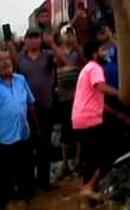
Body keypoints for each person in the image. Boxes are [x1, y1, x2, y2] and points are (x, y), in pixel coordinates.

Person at [73, 40, 130, 198]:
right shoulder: (95, 68)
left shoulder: (86, 70)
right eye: (102, 50)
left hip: (80, 119)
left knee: (91, 159)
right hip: (89, 119)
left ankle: (88, 195)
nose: (105, 53)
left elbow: (99, 102)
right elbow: (101, 87)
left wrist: (118, 115)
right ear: (94, 54)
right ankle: (90, 187)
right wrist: (121, 93)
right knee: (110, 152)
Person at [0, 51, 39, 208]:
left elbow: (30, 104)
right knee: (3, 177)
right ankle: (2, 202)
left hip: (23, 134)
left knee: (25, 172)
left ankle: (26, 199)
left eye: (7, 59)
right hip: (3, 139)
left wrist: (36, 127)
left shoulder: (21, 80)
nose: (5, 62)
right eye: (0, 60)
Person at [17, 27, 68, 189]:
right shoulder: (19, 59)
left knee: (44, 145)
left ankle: (44, 182)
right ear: (25, 40)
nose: (33, 40)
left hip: (46, 106)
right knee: (27, 146)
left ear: (41, 39)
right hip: (26, 109)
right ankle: (30, 183)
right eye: (30, 37)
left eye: (36, 37)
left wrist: (52, 44)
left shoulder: (48, 55)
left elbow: (63, 61)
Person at [54, 26, 84, 176]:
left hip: (77, 96)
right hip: (64, 98)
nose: (69, 37)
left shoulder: (78, 51)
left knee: (78, 129)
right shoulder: (57, 52)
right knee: (65, 131)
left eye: (72, 33)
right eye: (67, 34)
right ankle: (65, 163)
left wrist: (76, 44)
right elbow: (60, 63)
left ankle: (78, 161)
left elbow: (83, 62)